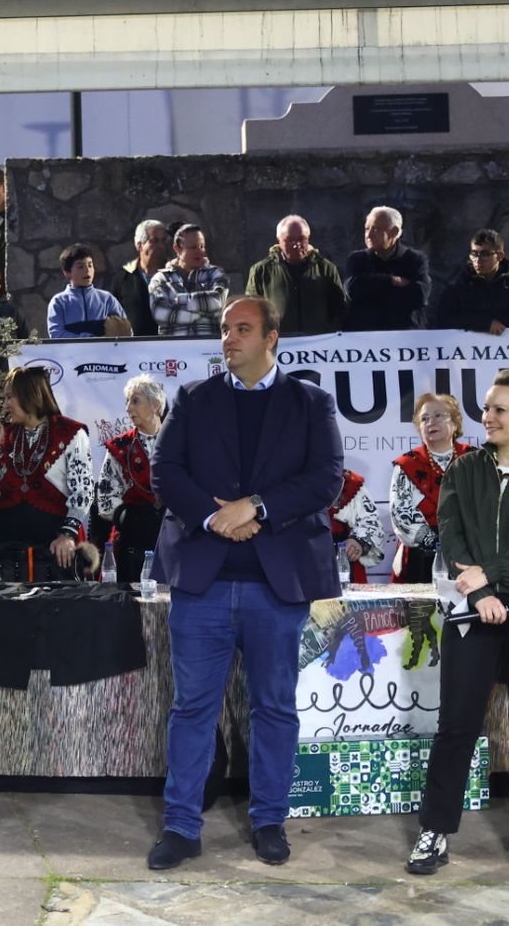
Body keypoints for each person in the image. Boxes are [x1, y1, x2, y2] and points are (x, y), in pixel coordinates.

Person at [145, 295, 343, 870]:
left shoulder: (311, 403)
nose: (229, 338)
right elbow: (166, 473)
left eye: (243, 329)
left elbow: (325, 479)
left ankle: (268, 821)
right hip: (202, 581)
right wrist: (213, 518)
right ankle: (181, 827)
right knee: (192, 711)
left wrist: (253, 508)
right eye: (226, 329)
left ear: (272, 338)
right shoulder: (193, 398)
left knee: (275, 709)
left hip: (276, 587)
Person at [406, 368, 509, 879]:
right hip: (472, 608)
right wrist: (479, 592)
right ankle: (434, 832)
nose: (489, 416)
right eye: (486, 408)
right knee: (456, 724)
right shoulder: (464, 469)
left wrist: (494, 575)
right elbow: (451, 536)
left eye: (501, 409)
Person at [0, 367, 94, 567]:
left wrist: (67, 534)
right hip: (3, 545)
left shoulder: (71, 433)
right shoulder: (5, 435)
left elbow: (82, 492)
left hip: (52, 544)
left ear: (30, 395)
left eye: (10, 397)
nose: (6, 404)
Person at [389, 392, 473, 583]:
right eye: (424, 419)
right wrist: (435, 542)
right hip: (421, 558)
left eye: (438, 416)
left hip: (469, 554)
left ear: (455, 422)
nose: (430, 422)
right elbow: (401, 513)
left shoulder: (474, 459)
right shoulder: (407, 464)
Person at [96, 375, 166, 574]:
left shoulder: (178, 443)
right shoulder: (120, 447)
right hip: (132, 542)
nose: (128, 408)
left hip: (173, 539)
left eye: (135, 401)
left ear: (155, 404)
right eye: (127, 402)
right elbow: (105, 494)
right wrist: (131, 518)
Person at [243, 215, 345, 335]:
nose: (296, 245)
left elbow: (339, 311)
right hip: (279, 346)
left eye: (302, 239)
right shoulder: (261, 271)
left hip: (319, 347)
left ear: (309, 239)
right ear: (279, 240)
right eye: (289, 240)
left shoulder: (327, 269)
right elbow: (252, 312)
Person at [344, 206, 430, 331]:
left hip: (405, 338)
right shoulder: (357, 259)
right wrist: (391, 281)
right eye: (367, 229)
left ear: (394, 232)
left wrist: (371, 290)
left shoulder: (415, 259)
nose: (368, 235)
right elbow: (352, 289)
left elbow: (420, 295)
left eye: (375, 229)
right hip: (366, 339)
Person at [432, 229, 509, 334]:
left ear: (500, 256)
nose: (477, 260)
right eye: (474, 254)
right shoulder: (458, 284)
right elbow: (444, 320)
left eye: (485, 254)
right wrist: (484, 324)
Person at [149, 224, 230, 337]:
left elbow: (218, 301)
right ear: (177, 249)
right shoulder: (161, 279)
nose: (200, 252)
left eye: (202, 246)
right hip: (173, 351)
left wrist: (181, 300)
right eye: (193, 247)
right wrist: (202, 314)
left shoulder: (215, 274)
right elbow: (160, 313)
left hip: (207, 350)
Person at [46, 243, 129, 339]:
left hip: (103, 353)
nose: (87, 270)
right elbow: (56, 334)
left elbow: (125, 331)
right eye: (80, 267)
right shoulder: (59, 302)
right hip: (71, 354)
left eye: (90, 265)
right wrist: (87, 339)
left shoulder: (107, 299)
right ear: (67, 272)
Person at [107, 220, 172, 337]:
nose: (161, 246)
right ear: (139, 245)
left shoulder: (175, 275)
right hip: (134, 349)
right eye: (155, 241)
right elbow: (113, 317)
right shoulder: (123, 278)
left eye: (163, 240)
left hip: (170, 348)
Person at [329, 470, 384, 584]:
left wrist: (358, 541)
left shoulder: (348, 484)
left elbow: (370, 521)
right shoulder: (286, 483)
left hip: (343, 562)